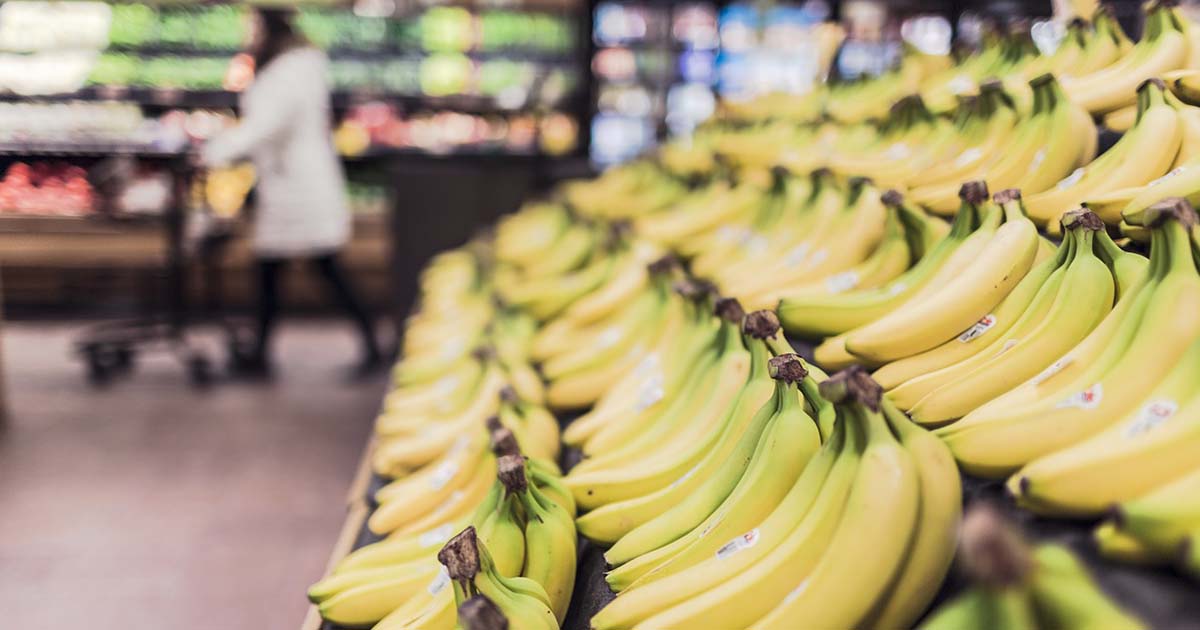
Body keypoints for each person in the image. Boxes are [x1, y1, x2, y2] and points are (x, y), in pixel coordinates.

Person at [201, 8, 383, 379]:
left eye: (251, 24)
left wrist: (216, 150)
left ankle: (370, 344)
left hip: (299, 186)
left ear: (268, 26)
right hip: (287, 183)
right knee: (273, 269)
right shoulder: (294, 65)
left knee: (322, 268)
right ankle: (262, 353)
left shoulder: (291, 70)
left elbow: (267, 126)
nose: (247, 32)